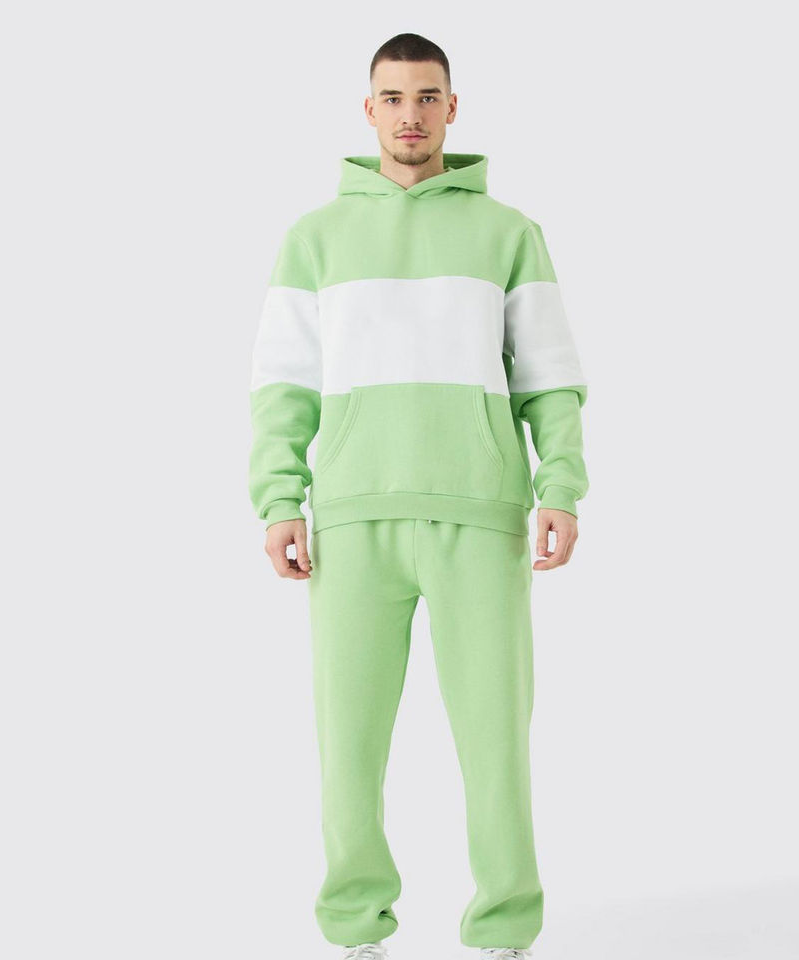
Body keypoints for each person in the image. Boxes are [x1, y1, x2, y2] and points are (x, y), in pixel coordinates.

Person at [248, 32, 588, 960]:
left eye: (427, 97)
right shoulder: (315, 238)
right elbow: (282, 387)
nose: (410, 115)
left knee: (495, 742)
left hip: (481, 515)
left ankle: (503, 933)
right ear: (369, 110)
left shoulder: (509, 233)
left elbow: (549, 378)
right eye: (393, 98)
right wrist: (280, 501)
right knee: (348, 745)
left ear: (452, 107)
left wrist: (560, 486)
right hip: (351, 517)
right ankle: (356, 931)